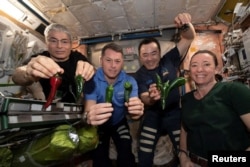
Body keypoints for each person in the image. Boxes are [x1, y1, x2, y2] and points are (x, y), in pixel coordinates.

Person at [134, 13, 196, 167]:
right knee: (144, 152)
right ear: (140, 57)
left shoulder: (169, 59)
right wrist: (152, 98)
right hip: (152, 115)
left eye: (153, 53)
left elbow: (188, 38)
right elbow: (143, 98)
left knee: (185, 150)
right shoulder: (139, 75)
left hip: (174, 113)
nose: (150, 58)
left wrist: (185, 25)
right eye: (145, 55)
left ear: (159, 53)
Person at [179, 50, 250, 167]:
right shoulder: (186, 99)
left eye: (206, 64)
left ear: (216, 69)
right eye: (194, 65)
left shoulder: (234, 90)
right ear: (190, 71)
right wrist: (182, 155)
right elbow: (184, 130)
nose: (199, 69)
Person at [83, 42, 144, 167]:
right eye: (108, 60)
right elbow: (88, 110)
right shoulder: (91, 80)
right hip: (99, 125)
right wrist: (88, 116)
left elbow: (135, 114)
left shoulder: (130, 81)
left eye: (117, 61)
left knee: (126, 151)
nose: (113, 66)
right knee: (99, 157)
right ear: (101, 60)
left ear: (123, 63)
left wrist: (138, 111)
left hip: (119, 123)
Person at [12, 23, 95, 103]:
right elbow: (17, 76)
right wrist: (28, 73)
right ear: (46, 43)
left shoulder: (77, 57)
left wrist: (90, 70)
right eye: (53, 41)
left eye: (64, 41)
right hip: (45, 108)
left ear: (71, 44)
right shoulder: (39, 58)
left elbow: (94, 72)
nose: (59, 46)